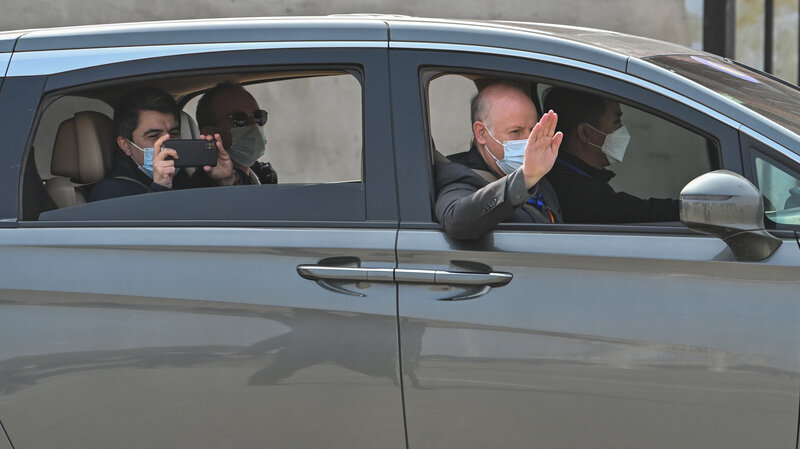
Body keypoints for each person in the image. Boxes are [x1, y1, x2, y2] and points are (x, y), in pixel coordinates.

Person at [434, 81, 563, 240]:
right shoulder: (458, 175)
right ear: (481, 133)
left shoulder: (540, 176)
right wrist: (524, 179)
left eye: (532, 130)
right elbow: (456, 221)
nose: (528, 140)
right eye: (516, 131)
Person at [543, 87, 679, 223]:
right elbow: (639, 211)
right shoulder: (579, 194)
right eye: (616, 122)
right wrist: (689, 209)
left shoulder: (578, 177)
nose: (622, 130)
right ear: (585, 133)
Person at [88, 87, 234, 202]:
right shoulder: (110, 194)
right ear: (125, 145)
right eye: (154, 136)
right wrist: (161, 187)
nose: (166, 144)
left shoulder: (184, 177)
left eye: (174, 133)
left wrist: (226, 180)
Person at [194, 81, 277, 186]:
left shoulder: (263, 176)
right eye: (240, 119)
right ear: (209, 134)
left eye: (258, 116)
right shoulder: (203, 188)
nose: (254, 125)